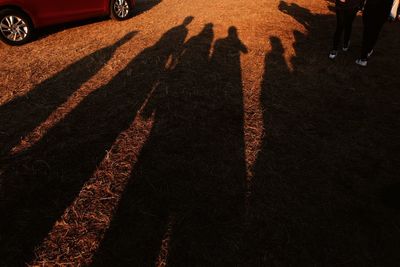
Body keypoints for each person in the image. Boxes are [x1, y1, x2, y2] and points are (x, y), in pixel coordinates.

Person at [356, 0, 394, 66]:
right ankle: (368, 50)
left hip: (372, 11)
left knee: (368, 33)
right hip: (381, 12)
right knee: (374, 32)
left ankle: (363, 58)